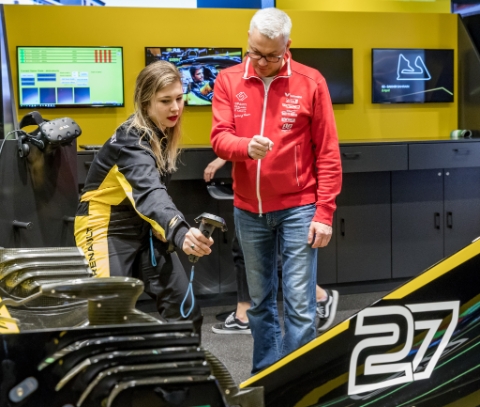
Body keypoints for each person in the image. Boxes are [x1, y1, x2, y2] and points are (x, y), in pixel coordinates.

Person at [210, 8, 342, 373]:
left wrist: (325, 212)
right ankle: (266, 375)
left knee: (300, 304)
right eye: (255, 52)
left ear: (287, 46)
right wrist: (245, 147)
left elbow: (328, 152)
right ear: (248, 41)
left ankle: (297, 382)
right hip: (248, 210)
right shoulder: (228, 79)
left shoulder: (311, 82)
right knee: (260, 303)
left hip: (299, 207)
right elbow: (220, 138)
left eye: (271, 55)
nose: (262, 62)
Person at [74, 60, 214, 335]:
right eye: (165, 101)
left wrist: (163, 226)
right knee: (108, 317)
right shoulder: (130, 141)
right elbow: (150, 192)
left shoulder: (162, 133)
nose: (175, 108)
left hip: (145, 226)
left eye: (179, 98)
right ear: (145, 102)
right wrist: (179, 231)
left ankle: (180, 364)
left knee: (185, 312)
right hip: (105, 226)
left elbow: (155, 192)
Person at [204, 158, 339, 336]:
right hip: (255, 188)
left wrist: (223, 157)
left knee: (259, 254)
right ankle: (244, 313)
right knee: (246, 250)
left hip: (273, 188)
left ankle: (319, 296)